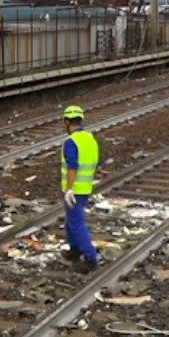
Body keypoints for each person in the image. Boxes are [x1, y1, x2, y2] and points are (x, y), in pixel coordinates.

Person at [60, 104, 101, 272]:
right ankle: (74, 250)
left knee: (76, 223)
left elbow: (72, 166)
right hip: (85, 187)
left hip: (75, 190)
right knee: (71, 222)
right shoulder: (89, 138)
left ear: (67, 122)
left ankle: (90, 258)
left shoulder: (71, 142)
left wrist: (69, 189)